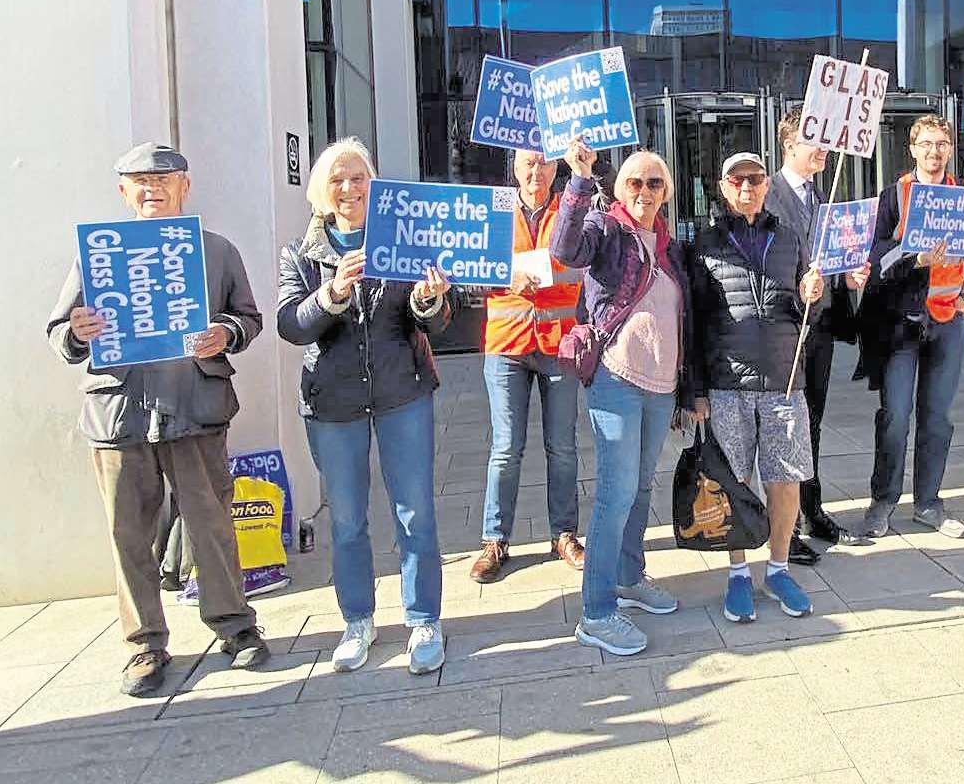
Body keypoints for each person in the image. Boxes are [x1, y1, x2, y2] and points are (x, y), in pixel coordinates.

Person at [46, 142, 269, 697]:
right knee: (129, 533)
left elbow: (249, 318)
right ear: (124, 192)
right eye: (139, 181)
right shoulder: (96, 256)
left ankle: (236, 627)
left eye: (163, 180)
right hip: (120, 412)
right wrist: (77, 331)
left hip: (196, 406)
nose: (152, 189)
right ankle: (144, 644)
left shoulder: (216, 252)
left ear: (184, 187)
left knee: (212, 523)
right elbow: (58, 333)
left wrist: (226, 334)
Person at [277, 138, 453, 675]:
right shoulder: (300, 253)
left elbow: (431, 325)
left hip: (402, 392)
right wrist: (330, 294)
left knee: (415, 513)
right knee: (349, 519)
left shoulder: (402, 241)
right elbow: (290, 324)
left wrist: (430, 299)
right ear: (321, 193)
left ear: (374, 185)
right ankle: (358, 620)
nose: (350, 188)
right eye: (338, 180)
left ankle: (423, 618)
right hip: (334, 402)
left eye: (358, 177)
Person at [552, 138, 698, 658]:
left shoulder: (670, 247)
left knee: (641, 488)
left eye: (654, 182)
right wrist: (577, 180)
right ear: (619, 189)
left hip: (661, 386)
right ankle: (595, 612)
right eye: (634, 181)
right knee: (615, 494)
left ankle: (630, 577)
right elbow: (565, 251)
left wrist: (689, 389)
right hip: (616, 377)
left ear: (667, 192)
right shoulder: (605, 228)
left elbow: (687, 318)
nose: (644, 190)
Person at [686, 152, 828, 621]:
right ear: (723, 188)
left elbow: (809, 312)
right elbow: (695, 322)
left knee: (784, 481)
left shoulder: (788, 238)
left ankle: (780, 568)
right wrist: (696, 391)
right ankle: (738, 574)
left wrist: (813, 295)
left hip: (783, 381)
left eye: (755, 179)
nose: (747, 187)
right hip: (728, 382)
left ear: (767, 185)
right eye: (737, 180)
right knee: (734, 482)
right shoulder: (704, 244)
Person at [856, 116, 964, 540]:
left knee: (937, 418)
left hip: (948, 322)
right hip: (901, 324)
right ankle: (882, 501)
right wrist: (916, 260)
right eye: (926, 144)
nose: (934, 152)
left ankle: (928, 502)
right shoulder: (895, 195)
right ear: (912, 148)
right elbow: (876, 255)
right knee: (895, 416)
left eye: (941, 143)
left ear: (950, 148)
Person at [473, 148, 585, 582]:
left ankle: (564, 534)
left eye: (542, 163)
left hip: (559, 345)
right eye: (526, 164)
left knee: (563, 446)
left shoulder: (571, 209)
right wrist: (506, 276)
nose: (535, 171)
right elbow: (468, 268)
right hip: (507, 344)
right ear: (515, 169)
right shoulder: (495, 212)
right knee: (506, 448)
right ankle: (495, 539)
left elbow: (586, 265)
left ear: (555, 167)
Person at [762, 112, 870, 553]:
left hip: (820, 326)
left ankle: (812, 510)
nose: (824, 151)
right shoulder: (767, 194)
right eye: (815, 143)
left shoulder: (823, 197)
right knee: (784, 427)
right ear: (790, 146)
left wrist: (848, 275)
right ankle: (783, 528)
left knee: (812, 423)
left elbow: (829, 257)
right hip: (786, 327)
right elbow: (763, 263)